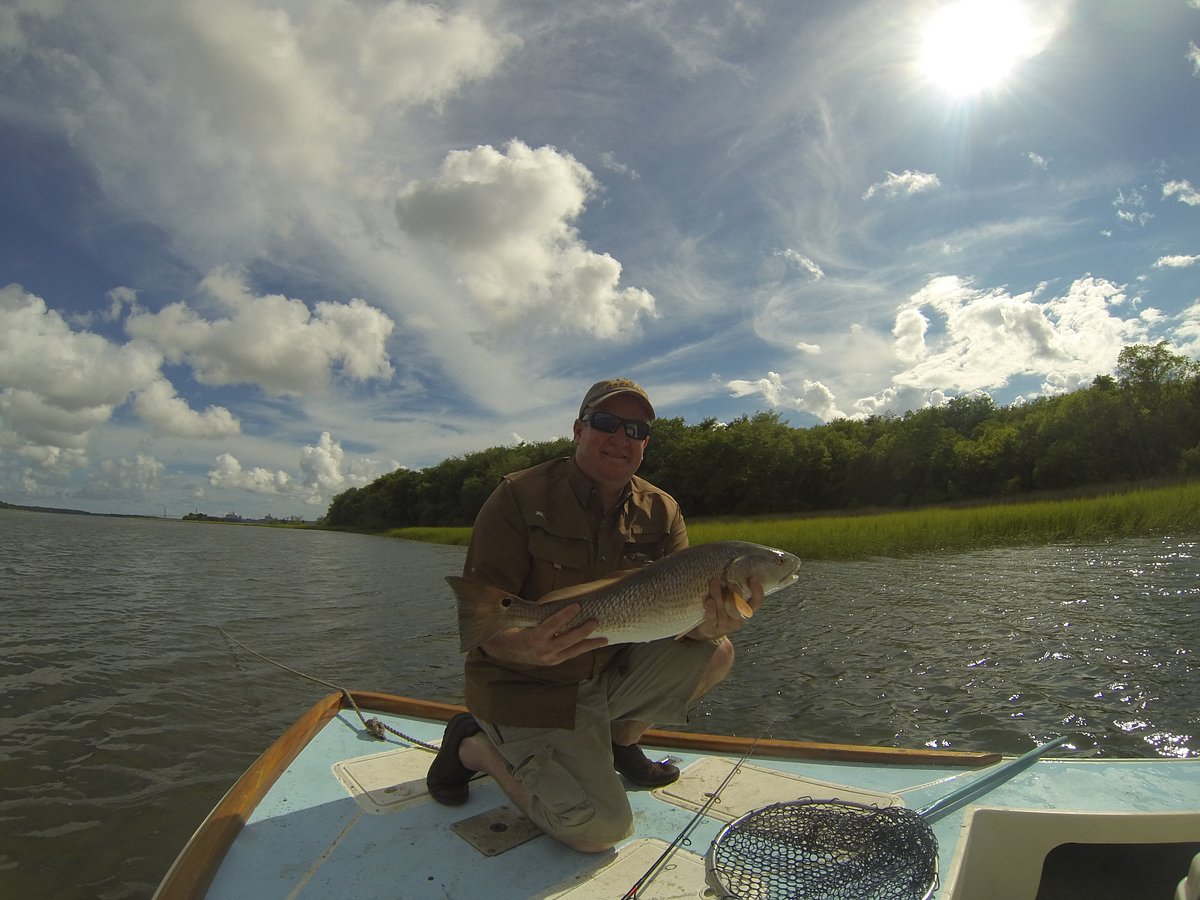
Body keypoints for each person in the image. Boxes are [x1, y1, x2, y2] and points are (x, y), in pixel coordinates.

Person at [426, 378, 763, 853]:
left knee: (717, 650)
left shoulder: (662, 511)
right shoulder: (518, 497)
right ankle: (475, 746)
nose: (621, 437)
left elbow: (682, 623)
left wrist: (708, 623)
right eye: (607, 423)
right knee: (599, 830)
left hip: (601, 676)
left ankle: (618, 738)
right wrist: (524, 648)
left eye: (637, 429)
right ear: (579, 429)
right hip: (525, 689)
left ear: (645, 443)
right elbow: (485, 620)